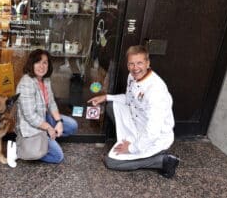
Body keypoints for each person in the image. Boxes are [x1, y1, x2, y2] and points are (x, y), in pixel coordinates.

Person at [88, 45, 180, 178]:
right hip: (137, 124)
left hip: (154, 137)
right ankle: (130, 143)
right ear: (127, 65)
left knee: (112, 162)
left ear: (148, 63)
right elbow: (129, 99)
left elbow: (153, 131)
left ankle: (162, 160)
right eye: (131, 64)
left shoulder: (155, 91)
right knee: (110, 105)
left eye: (139, 63)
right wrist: (106, 97)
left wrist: (131, 148)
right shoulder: (132, 77)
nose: (135, 68)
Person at [12, 49, 78, 164]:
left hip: (43, 118)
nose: (41, 66)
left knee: (72, 125)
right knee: (57, 156)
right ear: (31, 64)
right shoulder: (26, 83)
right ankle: (18, 150)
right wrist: (48, 127)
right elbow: (30, 116)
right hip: (31, 126)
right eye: (38, 62)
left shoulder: (45, 80)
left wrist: (59, 121)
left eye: (45, 62)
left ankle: (47, 138)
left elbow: (51, 103)